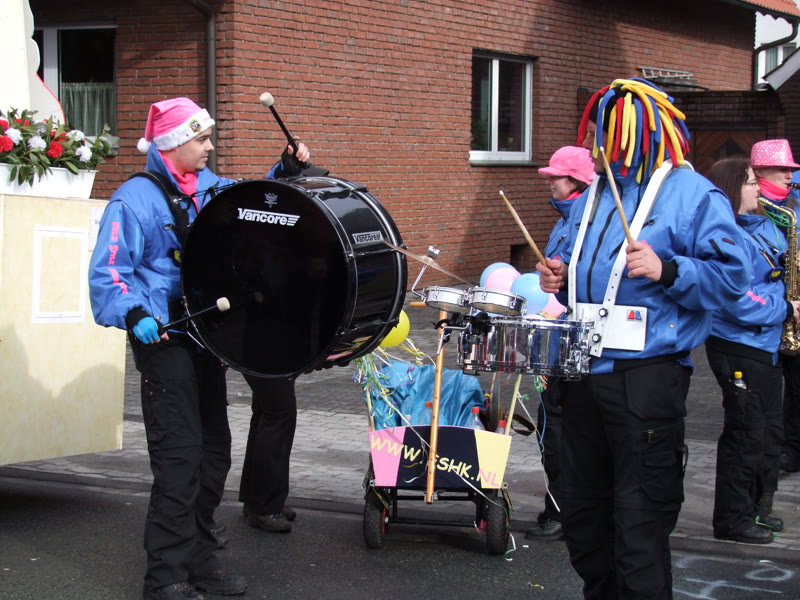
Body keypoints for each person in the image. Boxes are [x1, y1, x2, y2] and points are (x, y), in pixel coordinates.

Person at [536, 78, 751, 599]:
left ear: (636, 132)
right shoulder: (595, 194)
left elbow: (734, 279)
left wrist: (669, 269)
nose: (594, 142)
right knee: (584, 517)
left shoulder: (692, 193)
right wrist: (561, 276)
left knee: (639, 524)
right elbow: (585, 267)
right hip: (582, 374)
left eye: (604, 131)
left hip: (645, 380)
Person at [88, 97, 310, 600]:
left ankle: (200, 562)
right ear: (173, 143)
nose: (210, 146)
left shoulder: (209, 188)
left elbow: (251, 203)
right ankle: (165, 579)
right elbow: (108, 273)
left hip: (207, 338)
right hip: (164, 338)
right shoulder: (133, 199)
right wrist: (135, 314)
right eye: (201, 138)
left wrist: (283, 171)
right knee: (179, 459)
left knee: (213, 453)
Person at [704, 157, 798, 544]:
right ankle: (732, 520)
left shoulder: (765, 225)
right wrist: (785, 309)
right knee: (746, 433)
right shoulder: (724, 235)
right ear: (732, 189)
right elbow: (734, 298)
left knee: (768, 433)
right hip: (739, 344)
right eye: (750, 182)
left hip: (766, 344)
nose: (759, 188)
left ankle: (758, 509)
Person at [525, 145, 595, 542]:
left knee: (561, 427)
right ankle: (563, 508)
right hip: (565, 331)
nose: (550, 182)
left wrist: (563, 275)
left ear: (576, 181)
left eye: (556, 176)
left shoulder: (589, 217)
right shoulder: (565, 219)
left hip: (586, 337)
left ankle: (566, 512)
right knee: (553, 424)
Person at [752, 139, 800, 478]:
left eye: (791, 169)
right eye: (782, 168)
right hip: (765, 308)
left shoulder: (794, 206)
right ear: (759, 172)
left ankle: (792, 447)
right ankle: (773, 448)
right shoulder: (749, 207)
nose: (789, 174)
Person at [239, 375, 298, 532]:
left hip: (262, 362)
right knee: (278, 414)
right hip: (269, 362)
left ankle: (256, 500)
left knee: (266, 411)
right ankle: (265, 506)